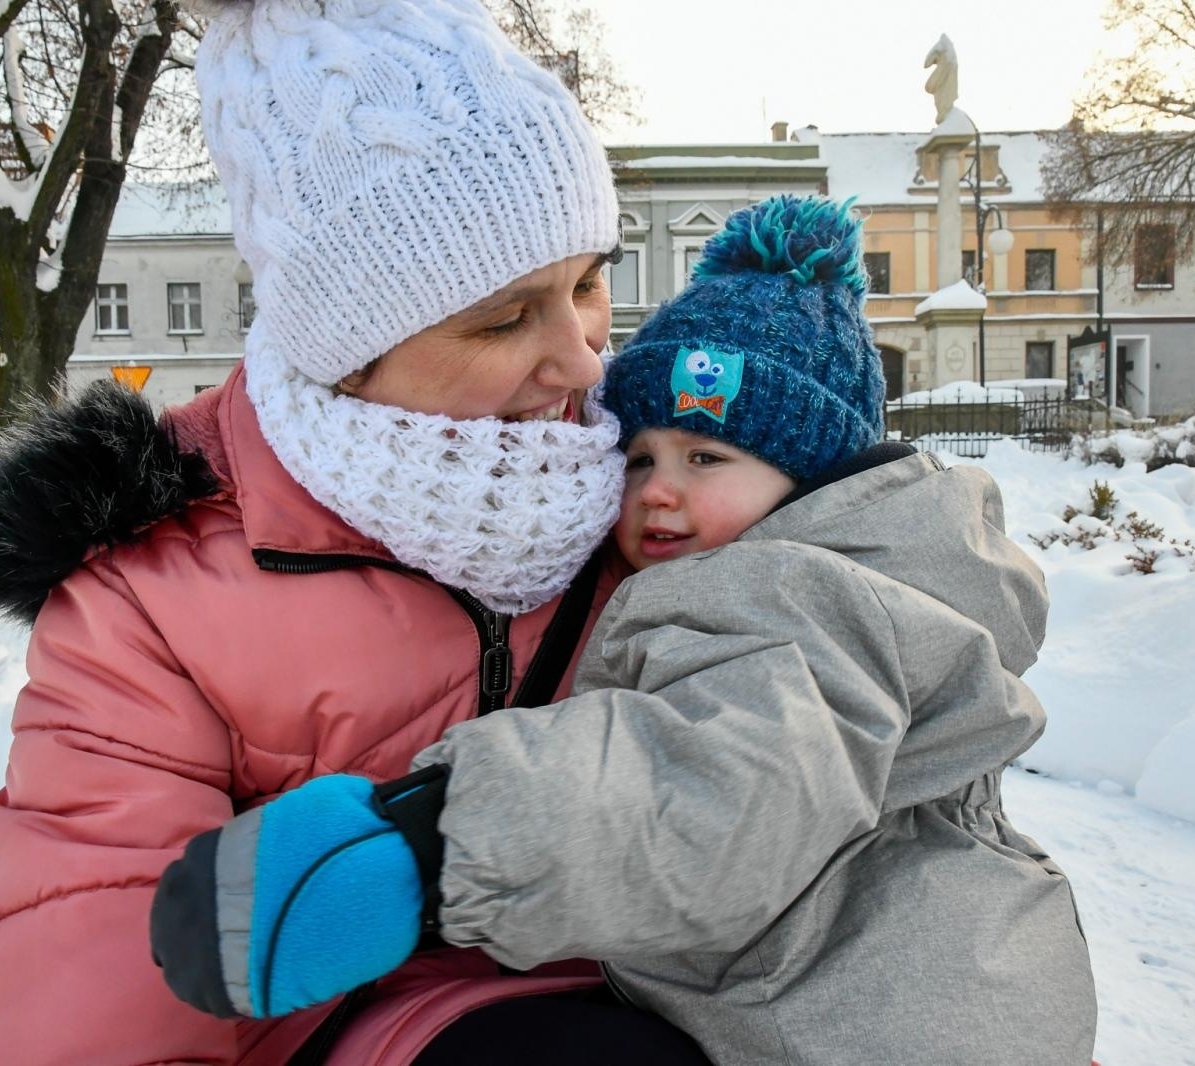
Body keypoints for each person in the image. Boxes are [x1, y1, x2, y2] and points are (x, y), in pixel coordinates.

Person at [149, 196, 1099, 1064]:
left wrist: (431, 845)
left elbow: (720, 775)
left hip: (886, 1016)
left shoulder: (802, 594)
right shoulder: (841, 572)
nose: (659, 492)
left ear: (808, 478)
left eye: (706, 457)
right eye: (639, 457)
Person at [0, 1, 715, 1062]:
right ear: (347, 353)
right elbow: (92, 982)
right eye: (504, 317)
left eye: (587, 283)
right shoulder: (153, 592)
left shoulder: (676, 473)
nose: (584, 358)